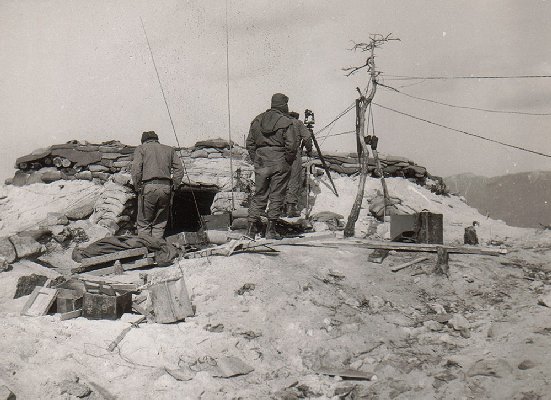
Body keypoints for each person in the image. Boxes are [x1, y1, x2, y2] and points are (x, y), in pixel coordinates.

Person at [246, 93, 298, 239]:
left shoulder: (257, 120)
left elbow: (250, 143)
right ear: (283, 105)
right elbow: (292, 145)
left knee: (259, 194)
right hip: (280, 161)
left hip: (261, 161)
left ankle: (250, 230)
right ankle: (271, 231)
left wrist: (256, 158)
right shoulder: (286, 122)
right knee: (277, 195)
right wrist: (287, 160)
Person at [131, 130, 185, 238]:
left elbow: (136, 169)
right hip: (166, 188)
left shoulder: (141, 149)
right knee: (159, 223)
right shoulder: (169, 149)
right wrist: (174, 185)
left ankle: (146, 249)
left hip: (149, 187)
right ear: (156, 140)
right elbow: (179, 169)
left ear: (144, 141)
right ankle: (156, 248)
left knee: (144, 222)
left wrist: (137, 187)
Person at [284, 111, 313, 217]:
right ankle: (290, 208)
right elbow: (307, 138)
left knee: (282, 180)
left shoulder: (281, 123)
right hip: (294, 155)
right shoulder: (298, 123)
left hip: (280, 156)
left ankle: (281, 207)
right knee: (294, 179)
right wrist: (309, 150)